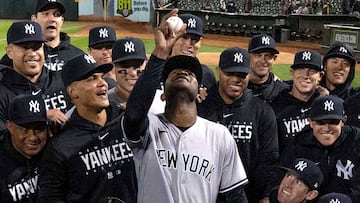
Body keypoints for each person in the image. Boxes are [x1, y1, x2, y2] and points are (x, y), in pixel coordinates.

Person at [121, 9, 248, 203]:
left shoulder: (219, 136)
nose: (183, 73)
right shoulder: (149, 128)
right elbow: (132, 116)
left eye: (191, 73)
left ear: (200, 93)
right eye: (174, 73)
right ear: (162, 93)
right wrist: (160, 53)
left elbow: (236, 196)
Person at [38, 54, 137, 202]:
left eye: (101, 77)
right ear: (72, 92)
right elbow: (51, 197)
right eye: (91, 79)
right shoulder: (61, 146)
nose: (102, 83)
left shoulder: (125, 122)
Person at [198, 47, 279, 203]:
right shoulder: (201, 106)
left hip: (247, 196)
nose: (236, 79)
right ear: (218, 71)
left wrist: (264, 194)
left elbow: (269, 160)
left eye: (241, 74)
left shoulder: (262, 111)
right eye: (230, 73)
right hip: (204, 194)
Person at [280, 95, 360, 202]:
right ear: (311, 122)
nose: (327, 128)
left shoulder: (356, 142)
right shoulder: (299, 143)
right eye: (320, 122)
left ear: (343, 121)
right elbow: (279, 178)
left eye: (333, 121)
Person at [0, 21, 70, 134]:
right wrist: (39, 117)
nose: (32, 53)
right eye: (25, 47)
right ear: (9, 52)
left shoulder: (63, 80)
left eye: (37, 47)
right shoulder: (3, 94)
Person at [150, 13, 217, 113]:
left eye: (195, 39)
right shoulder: (155, 70)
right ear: (172, 37)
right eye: (184, 37)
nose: (189, 44)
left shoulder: (207, 75)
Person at [271, 50, 325, 151]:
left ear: (320, 76)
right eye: (300, 69)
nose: (306, 75)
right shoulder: (276, 107)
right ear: (292, 72)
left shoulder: (325, 106)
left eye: (312, 71)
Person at [0, 94, 48, 202]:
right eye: (25, 130)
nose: (33, 137)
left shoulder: (55, 152)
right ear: (10, 127)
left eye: (39, 129)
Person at [247, 34, 290, 103]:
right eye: (258, 55)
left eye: (268, 56)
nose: (263, 60)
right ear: (248, 57)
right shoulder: (236, 87)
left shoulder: (283, 91)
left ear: (274, 59)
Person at [108, 37, 147, 108]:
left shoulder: (160, 100)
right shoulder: (103, 103)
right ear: (113, 68)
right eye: (125, 66)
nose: (133, 73)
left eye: (137, 66)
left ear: (146, 65)